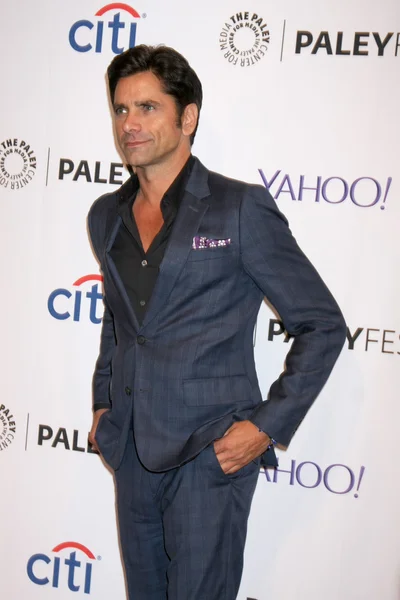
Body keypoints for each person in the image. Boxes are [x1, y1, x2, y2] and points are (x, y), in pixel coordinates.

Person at [88, 44, 346, 600]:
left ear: (188, 117)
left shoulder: (238, 208)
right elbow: (119, 322)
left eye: (148, 108)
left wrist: (265, 427)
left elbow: (322, 324)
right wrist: (104, 406)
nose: (130, 124)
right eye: (121, 109)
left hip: (209, 457)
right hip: (132, 453)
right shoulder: (105, 215)